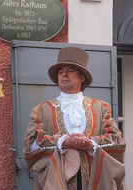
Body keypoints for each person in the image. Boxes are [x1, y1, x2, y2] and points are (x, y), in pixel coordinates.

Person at [24, 47, 126, 190]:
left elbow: (116, 140)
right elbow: (32, 145)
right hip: (57, 181)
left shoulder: (101, 107)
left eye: (70, 71)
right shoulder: (41, 110)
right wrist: (62, 143)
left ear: (82, 77)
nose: (64, 74)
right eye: (60, 72)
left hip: (95, 179)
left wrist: (92, 143)